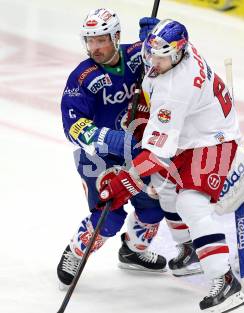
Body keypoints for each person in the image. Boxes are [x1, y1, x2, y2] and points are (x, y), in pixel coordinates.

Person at [98, 19, 244, 312]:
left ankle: (225, 280)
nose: (154, 61)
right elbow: (162, 48)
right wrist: (151, 38)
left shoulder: (175, 90)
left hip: (212, 141)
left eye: (162, 57)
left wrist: (123, 182)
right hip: (187, 135)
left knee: (191, 203)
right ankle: (191, 250)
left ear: (178, 54)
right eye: (151, 52)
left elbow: (154, 155)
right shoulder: (177, 52)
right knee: (164, 189)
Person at [57, 8, 167, 288]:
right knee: (109, 217)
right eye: (90, 41)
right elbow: (72, 125)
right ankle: (76, 251)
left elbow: (171, 64)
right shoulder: (82, 77)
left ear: (116, 36)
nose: (94, 47)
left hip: (137, 153)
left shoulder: (135, 56)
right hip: (98, 160)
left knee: (153, 207)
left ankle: (133, 250)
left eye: (101, 40)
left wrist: (154, 44)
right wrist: (110, 138)